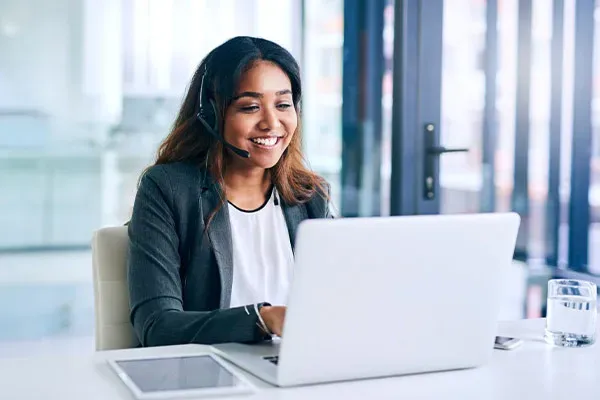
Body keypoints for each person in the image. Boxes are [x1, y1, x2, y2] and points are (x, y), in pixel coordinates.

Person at [127, 36, 334, 347]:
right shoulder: (167, 190)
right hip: (207, 376)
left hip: (296, 367)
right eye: (250, 107)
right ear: (212, 114)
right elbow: (158, 327)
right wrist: (263, 319)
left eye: (282, 104)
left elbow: (339, 303)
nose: (271, 122)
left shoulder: (311, 195)